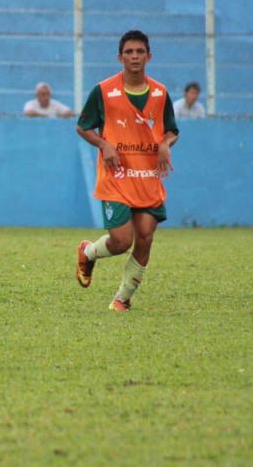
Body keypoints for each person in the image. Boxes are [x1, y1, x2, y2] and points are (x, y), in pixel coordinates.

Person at [75, 29, 179, 312]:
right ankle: (88, 252)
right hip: (117, 175)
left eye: (140, 52)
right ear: (120, 57)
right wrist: (103, 144)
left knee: (145, 235)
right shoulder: (104, 91)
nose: (135, 57)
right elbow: (83, 127)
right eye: (129, 52)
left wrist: (166, 144)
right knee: (122, 241)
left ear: (149, 56)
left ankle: (122, 299)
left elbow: (171, 130)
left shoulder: (160, 93)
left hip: (147, 176)